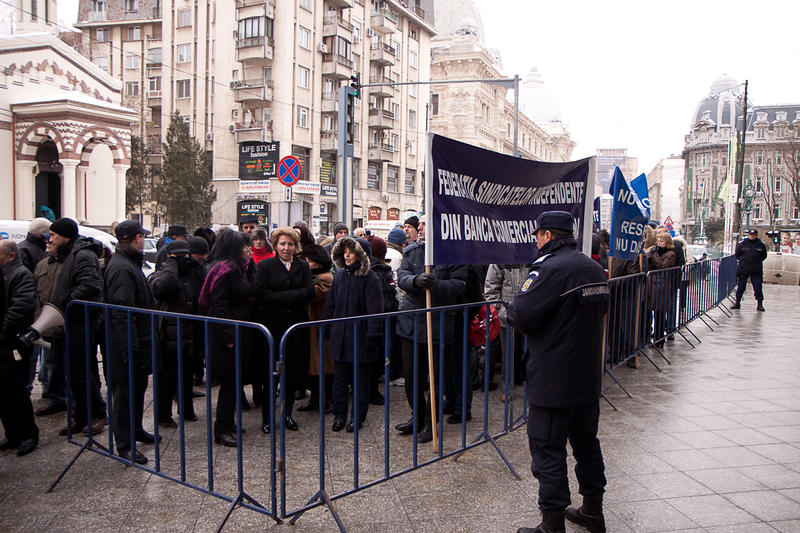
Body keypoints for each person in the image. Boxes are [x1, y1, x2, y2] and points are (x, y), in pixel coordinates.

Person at [508, 211, 609, 533]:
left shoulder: (548, 269)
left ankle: (552, 525)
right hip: (586, 375)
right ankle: (593, 511)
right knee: (586, 444)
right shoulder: (593, 267)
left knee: (548, 449)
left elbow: (521, 315)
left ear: (547, 235)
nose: (535, 240)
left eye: (538, 235)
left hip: (554, 377)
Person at [27, 217, 107, 436]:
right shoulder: (67, 254)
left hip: (81, 321)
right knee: (71, 372)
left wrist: (63, 303)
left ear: (66, 236)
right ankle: (80, 415)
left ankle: (97, 413)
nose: (49, 238)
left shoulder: (82, 255)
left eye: (53, 235)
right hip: (67, 322)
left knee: (82, 371)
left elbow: (90, 286)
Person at [395, 215, 466, 443]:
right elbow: (402, 276)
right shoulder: (412, 251)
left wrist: (435, 284)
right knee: (411, 375)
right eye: (421, 224)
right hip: (411, 323)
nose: (420, 228)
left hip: (437, 323)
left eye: (425, 224)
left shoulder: (453, 252)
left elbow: (459, 284)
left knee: (434, 378)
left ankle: (430, 422)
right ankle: (417, 415)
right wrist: (416, 281)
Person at [104, 220, 157, 464]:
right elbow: (121, 312)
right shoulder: (121, 268)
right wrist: (129, 346)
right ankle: (125, 444)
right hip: (126, 344)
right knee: (124, 395)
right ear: (136, 238)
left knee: (137, 390)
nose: (144, 240)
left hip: (137, 340)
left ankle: (136, 430)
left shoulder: (129, 263)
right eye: (142, 236)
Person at [255, 227, 315, 433]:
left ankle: (287, 413)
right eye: (282, 244)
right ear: (275, 245)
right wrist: (291, 296)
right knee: (270, 374)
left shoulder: (303, 266)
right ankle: (267, 418)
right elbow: (262, 293)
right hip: (273, 327)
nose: (286, 248)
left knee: (292, 372)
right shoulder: (265, 266)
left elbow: (309, 291)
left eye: (290, 244)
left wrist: (281, 295)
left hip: (296, 328)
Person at [199, 231, 255, 447]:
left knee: (234, 383)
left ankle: (228, 423)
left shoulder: (238, 269)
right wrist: (228, 337)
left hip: (237, 332)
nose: (247, 250)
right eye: (244, 247)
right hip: (227, 337)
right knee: (229, 383)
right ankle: (221, 429)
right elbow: (218, 306)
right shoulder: (225, 270)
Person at [323, 237, 383, 432]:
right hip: (340, 337)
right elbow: (331, 303)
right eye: (345, 251)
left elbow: (375, 310)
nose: (347, 255)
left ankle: (357, 417)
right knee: (339, 380)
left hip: (360, 339)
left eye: (351, 251)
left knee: (360, 382)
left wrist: (373, 335)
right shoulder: (339, 276)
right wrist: (326, 326)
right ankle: (339, 416)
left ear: (361, 254)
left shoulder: (370, 279)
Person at [149, 240, 204, 428]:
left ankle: (186, 409)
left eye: (185, 255)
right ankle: (163, 415)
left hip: (189, 332)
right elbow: (162, 288)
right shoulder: (161, 274)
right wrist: (170, 266)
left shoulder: (191, 275)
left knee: (186, 374)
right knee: (166, 377)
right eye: (177, 256)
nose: (182, 259)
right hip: (168, 335)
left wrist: (196, 266)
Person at [0, 241, 39, 456]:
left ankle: (28, 434)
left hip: (13, 342)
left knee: (16, 390)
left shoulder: (21, 275)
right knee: (3, 393)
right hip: (6, 342)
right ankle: (13, 433)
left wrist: (5, 333)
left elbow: (20, 307)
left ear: (11, 256)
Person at [296, 229, 335, 414]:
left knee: (323, 366)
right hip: (312, 327)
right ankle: (315, 398)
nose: (307, 264)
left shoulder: (325, 279)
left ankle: (326, 399)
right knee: (314, 365)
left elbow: (313, 294)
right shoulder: (316, 278)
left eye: (310, 261)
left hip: (321, 327)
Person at [647, 232, 678, 346]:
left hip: (663, 287)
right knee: (654, 312)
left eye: (662, 242)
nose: (659, 244)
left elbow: (662, 265)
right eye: (658, 241)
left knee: (660, 314)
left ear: (667, 242)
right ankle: (655, 336)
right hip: (653, 286)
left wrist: (655, 255)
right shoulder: (655, 252)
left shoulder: (671, 254)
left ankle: (659, 339)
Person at [732, 228, 768, 311]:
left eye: (753, 235)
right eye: (750, 235)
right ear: (748, 235)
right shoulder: (742, 244)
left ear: (756, 235)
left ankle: (760, 304)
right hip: (743, 269)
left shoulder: (761, 245)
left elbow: (764, 256)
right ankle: (737, 303)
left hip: (756, 270)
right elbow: (737, 254)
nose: (752, 236)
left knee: (758, 287)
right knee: (741, 287)